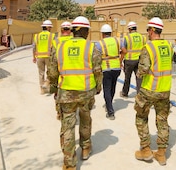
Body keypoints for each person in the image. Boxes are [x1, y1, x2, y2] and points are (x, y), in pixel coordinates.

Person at [48, 16, 103, 170]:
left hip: (66, 93)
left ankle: (70, 164)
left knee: (67, 127)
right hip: (86, 93)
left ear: (73, 30)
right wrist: (98, 88)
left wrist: (54, 89)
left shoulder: (60, 47)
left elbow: (52, 72)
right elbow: (98, 71)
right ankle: (85, 148)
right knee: (85, 120)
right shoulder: (92, 48)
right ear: (86, 31)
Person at [134, 17, 176, 166]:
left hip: (149, 89)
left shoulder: (148, 47)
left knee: (141, 117)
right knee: (163, 120)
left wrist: (139, 74)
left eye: (147, 30)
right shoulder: (169, 46)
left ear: (151, 30)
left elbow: (144, 69)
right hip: (164, 90)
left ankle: (145, 150)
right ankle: (161, 154)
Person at [97, 24, 121, 120]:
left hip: (106, 69)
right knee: (113, 87)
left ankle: (110, 111)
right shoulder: (117, 40)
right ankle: (109, 104)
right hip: (117, 68)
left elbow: (97, 57)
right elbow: (123, 50)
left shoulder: (100, 43)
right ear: (110, 33)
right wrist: (120, 60)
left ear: (102, 34)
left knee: (106, 89)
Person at [120, 21, 146, 98]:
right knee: (139, 78)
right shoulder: (142, 37)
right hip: (139, 60)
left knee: (127, 78)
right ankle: (139, 94)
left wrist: (120, 61)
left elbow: (123, 49)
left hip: (129, 61)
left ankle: (125, 93)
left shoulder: (127, 38)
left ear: (129, 29)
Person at [33, 20, 55, 94]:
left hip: (39, 57)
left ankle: (42, 90)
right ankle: (47, 85)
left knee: (41, 73)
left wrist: (34, 57)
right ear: (48, 27)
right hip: (49, 56)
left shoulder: (37, 35)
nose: (51, 29)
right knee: (50, 72)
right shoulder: (52, 35)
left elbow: (34, 47)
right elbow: (55, 47)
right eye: (50, 27)